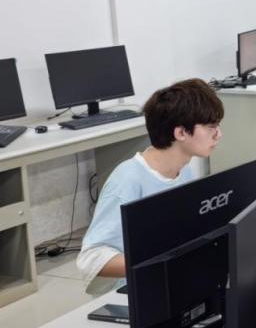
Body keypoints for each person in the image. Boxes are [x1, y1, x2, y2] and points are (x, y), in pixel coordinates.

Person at [77, 79, 224, 294]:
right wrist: (161, 262)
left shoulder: (184, 171)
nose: (219, 134)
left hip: (170, 280)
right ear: (181, 133)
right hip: (132, 291)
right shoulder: (127, 181)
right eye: (211, 127)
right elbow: (90, 259)